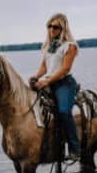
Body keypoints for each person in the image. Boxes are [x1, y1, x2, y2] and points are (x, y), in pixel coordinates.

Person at [29, 13, 81, 161]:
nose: (52, 29)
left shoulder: (70, 46)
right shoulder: (48, 46)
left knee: (64, 111)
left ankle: (74, 148)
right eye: (49, 26)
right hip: (49, 82)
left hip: (64, 83)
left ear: (63, 28)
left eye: (56, 27)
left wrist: (46, 82)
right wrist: (36, 77)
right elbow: (44, 67)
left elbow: (65, 69)